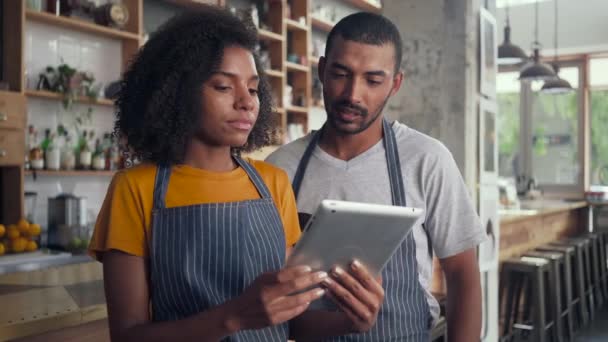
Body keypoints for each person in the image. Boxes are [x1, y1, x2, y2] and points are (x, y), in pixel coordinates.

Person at [88, 6, 382, 341]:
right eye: (223, 87)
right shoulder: (135, 189)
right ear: (177, 92)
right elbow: (127, 336)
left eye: (254, 89)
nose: (246, 102)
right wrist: (232, 317)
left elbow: (293, 320)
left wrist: (352, 320)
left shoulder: (274, 184)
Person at [267, 12, 486, 341]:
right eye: (341, 74)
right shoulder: (281, 168)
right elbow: (270, 296)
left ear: (395, 83)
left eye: (373, 80)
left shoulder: (427, 159)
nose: (353, 94)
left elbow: (463, 277)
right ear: (322, 69)